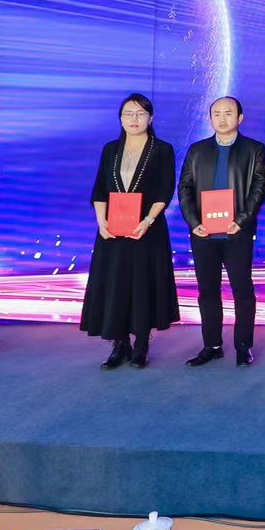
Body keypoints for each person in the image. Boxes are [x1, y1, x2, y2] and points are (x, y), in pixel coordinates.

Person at [80, 93, 180, 369]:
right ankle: (119, 343)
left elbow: (165, 190)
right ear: (120, 119)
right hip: (112, 231)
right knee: (115, 284)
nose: (134, 119)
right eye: (128, 113)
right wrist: (101, 222)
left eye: (140, 113)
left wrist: (147, 220)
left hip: (147, 230)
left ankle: (142, 344)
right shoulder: (110, 149)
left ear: (151, 118)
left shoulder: (162, 149)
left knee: (143, 284)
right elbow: (100, 189)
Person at [176, 95, 265, 368]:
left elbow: (259, 187)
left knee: (242, 290)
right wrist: (193, 222)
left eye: (228, 113)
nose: (222, 118)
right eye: (216, 113)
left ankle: (243, 346)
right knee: (207, 291)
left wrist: (242, 219)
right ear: (210, 118)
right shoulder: (197, 150)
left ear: (240, 118)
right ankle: (212, 345)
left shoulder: (254, 149)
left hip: (237, 232)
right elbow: (184, 188)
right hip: (203, 234)